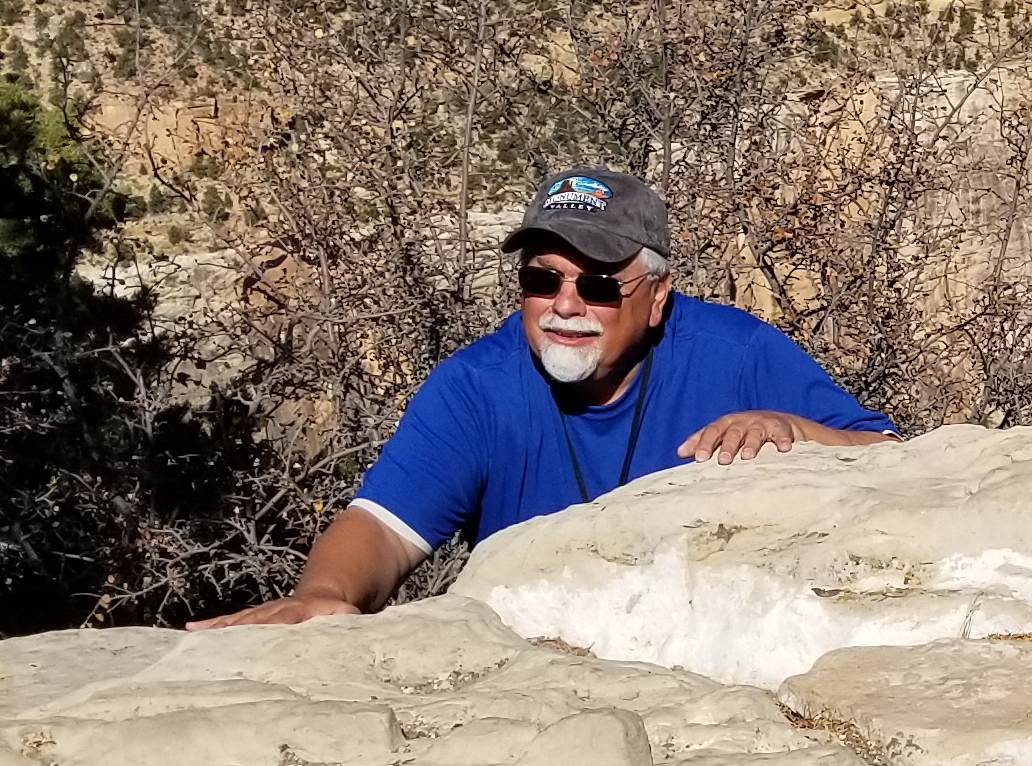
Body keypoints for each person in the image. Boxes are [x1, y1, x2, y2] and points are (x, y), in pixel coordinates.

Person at [192, 167, 894, 628]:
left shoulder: (735, 352)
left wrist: (794, 428)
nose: (564, 305)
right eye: (541, 279)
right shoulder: (478, 386)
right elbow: (380, 527)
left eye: (595, 285)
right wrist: (324, 597)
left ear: (656, 298)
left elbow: (894, 459)